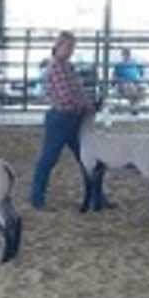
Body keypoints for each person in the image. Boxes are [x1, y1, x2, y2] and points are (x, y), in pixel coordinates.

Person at [29, 31, 110, 211]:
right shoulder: (57, 67)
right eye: (68, 46)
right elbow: (67, 98)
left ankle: (97, 197)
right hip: (62, 118)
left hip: (72, 118)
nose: (71, 50)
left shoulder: (67, 66)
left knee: (87, 159)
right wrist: (89, 106)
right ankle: (36, 198)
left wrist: (89, 103)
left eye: (73, 47)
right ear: (58, 45)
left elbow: (77, 93)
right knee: (50, 159)